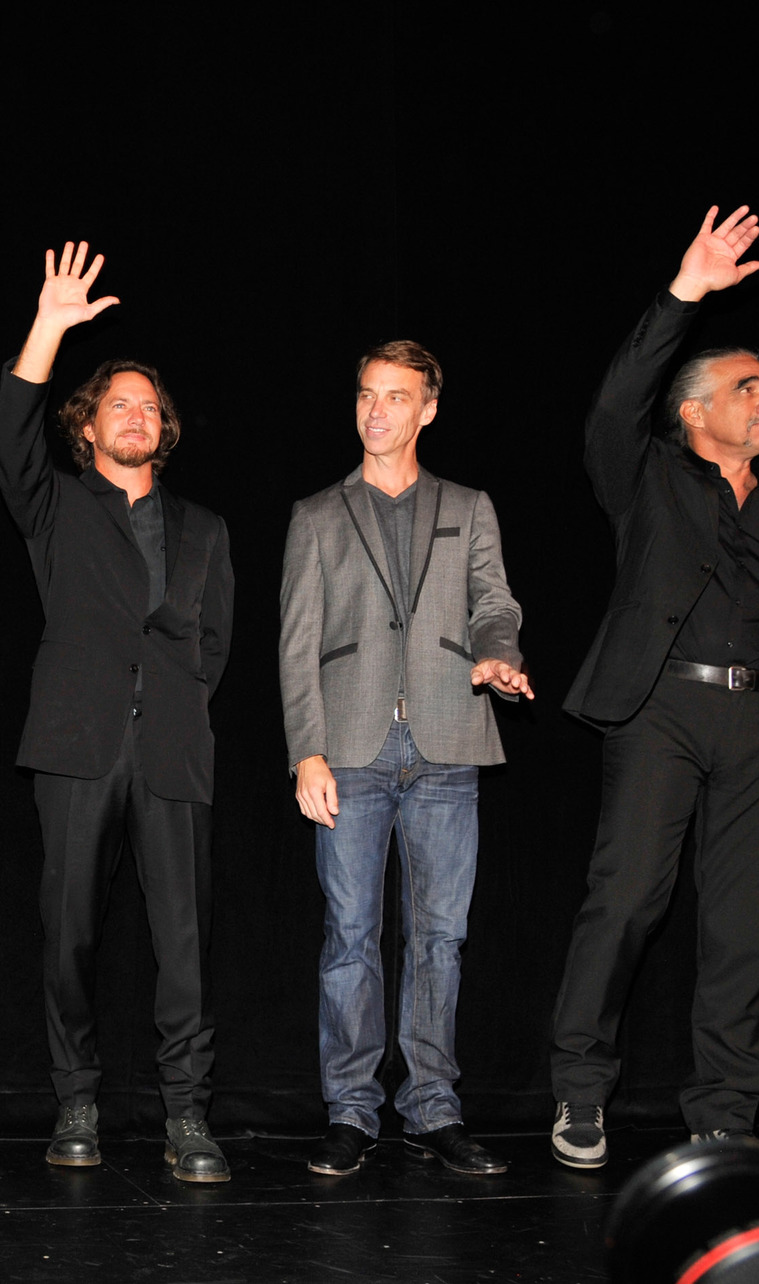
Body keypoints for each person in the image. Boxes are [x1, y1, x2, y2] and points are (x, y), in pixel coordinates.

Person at [548, 207, 759, 1168]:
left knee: (748, 926)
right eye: (745, 387)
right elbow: (612, 406)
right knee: (627, 901)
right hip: (663, 710)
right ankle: (581, 1091)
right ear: (692, 412)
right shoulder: (645, 477)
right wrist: (685, 291)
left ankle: (723, 1110)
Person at [0, 243, 235, 1183]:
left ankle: (187, 1114)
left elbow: (215, 644)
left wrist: (175, 708)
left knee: (185, 945)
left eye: (148, 407)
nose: (135, 415)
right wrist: (49, 326)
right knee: (70, 937)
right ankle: (77, 1100)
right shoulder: (56, 504)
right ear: (86, 425)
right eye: (117, 404)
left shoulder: (205, 527)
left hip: (173, 750)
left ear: (163, 430)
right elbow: (9, 431)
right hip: (76, 743)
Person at [279, 340, 530, 1177]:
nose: (376, 409)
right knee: (350, 936)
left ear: (428, 409)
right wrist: (306, 751)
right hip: (349, 749)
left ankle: (432, 1108)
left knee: (440, 937)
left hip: (447, 741)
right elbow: (296, 645)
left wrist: (498, 652)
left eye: (395, 396)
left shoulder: (469, 505)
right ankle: (352, 1110)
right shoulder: (318, 513)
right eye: (366, 394)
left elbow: (494, 601)